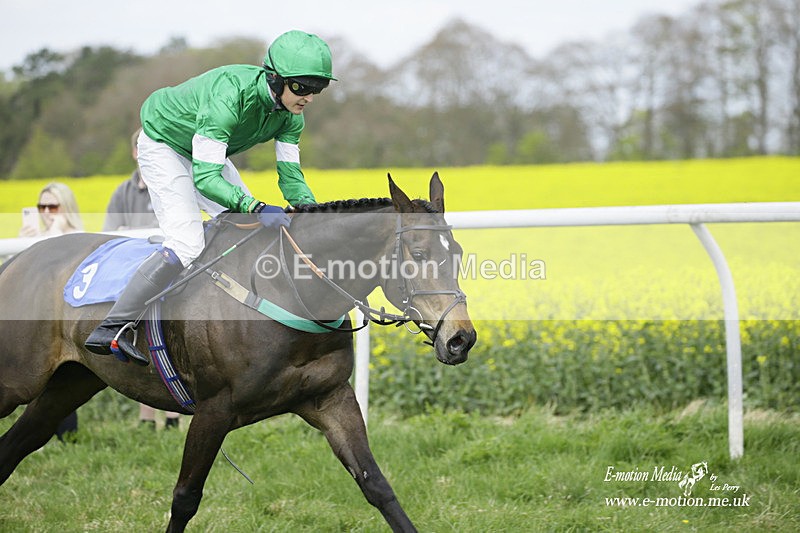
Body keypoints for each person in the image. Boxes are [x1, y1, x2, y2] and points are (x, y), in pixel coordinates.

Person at [85, 30, 335, 364]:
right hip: (163, 145)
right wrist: (256, 206)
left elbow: (291, 177)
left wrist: (314, 213)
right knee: (187, 243)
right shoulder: (229, 95)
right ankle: (113, 327)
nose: (309, 98)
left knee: (251, 230)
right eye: (302, 87)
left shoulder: (291, 117)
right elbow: (206, 179)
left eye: (317, 88)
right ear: (275, 79)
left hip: (203, 151)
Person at [103, 129, 180, 429]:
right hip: (134, 272)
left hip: (171, 270)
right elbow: (109, 233)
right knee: (138, 337)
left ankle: (174, 415)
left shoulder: (171, 184)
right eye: (142, 146)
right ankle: (146, 418)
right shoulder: (122, 192)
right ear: (135, 152)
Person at [19, 182, 83, 441]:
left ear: (66, 207)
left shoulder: (81, 236)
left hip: (67, 317)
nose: (46, 212)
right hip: (37, 315)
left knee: (65, 377)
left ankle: (67, 436)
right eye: (41, 207)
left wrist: (54, 234)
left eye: (52, 206)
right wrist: (25, 243)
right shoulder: (37, 234)